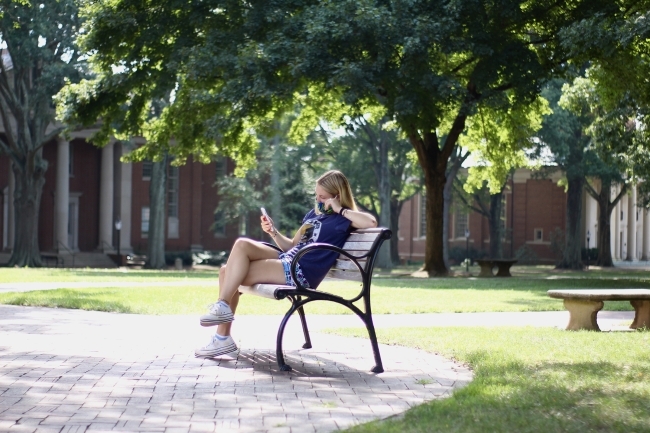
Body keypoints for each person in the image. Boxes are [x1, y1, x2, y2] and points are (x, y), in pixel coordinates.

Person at [195, 170, 377, 357]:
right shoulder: (313, 215)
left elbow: (370, 222)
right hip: (289, 259)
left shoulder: (343, 219)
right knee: (240, 247)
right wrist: (273, 232)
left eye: (323, 197)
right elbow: (291, 245)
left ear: (337, 196)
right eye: (317, 195)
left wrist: (340, 209)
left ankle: (222, 335)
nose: (318, 200)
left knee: (227, 274)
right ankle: (222, 315)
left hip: (301, 271)